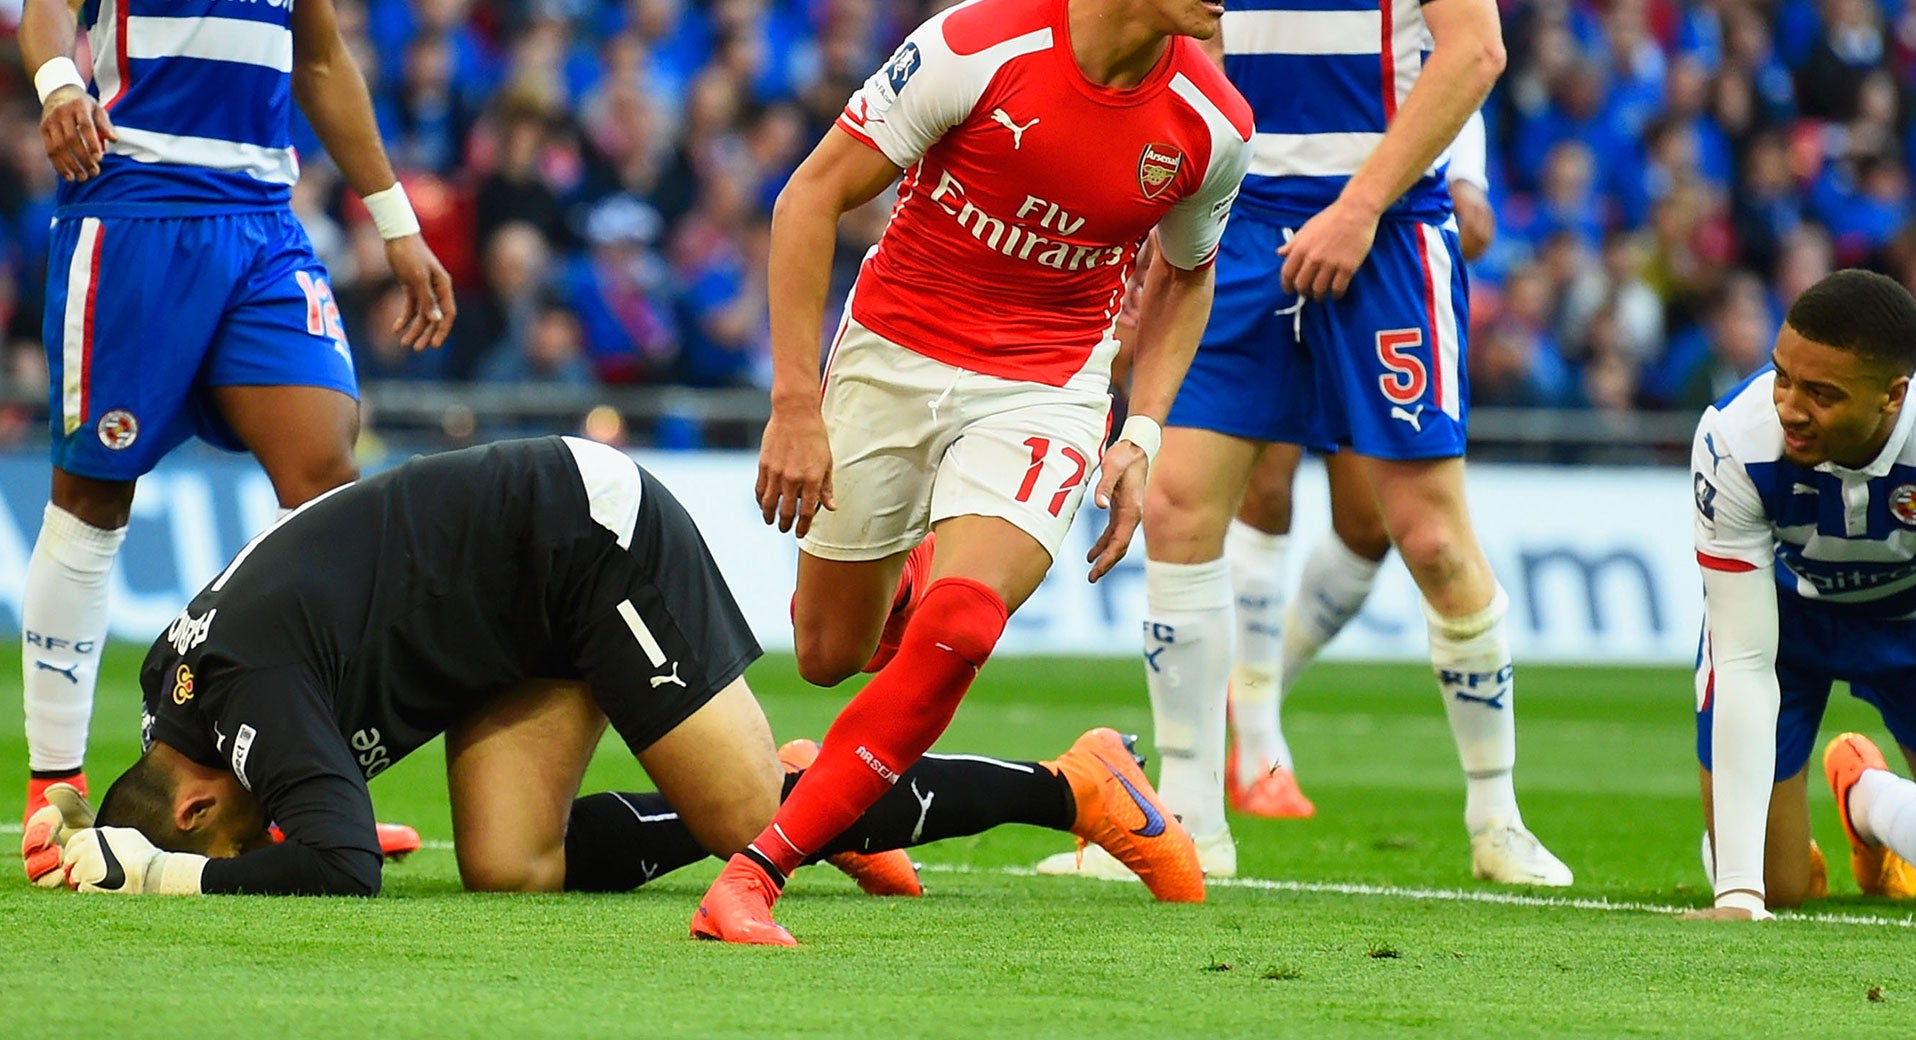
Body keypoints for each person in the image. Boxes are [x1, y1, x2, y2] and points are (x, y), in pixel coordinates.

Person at [1066, 0, 1570, 888]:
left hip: (1381, 228)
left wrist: (1360, 205)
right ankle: (1191, 827)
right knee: (1181, 507)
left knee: (1428, 530)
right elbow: (1196, 58)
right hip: (1240, 227)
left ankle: (1498, 822)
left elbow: (1475, 51)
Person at [688, 0, 1255, 944]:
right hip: (890, 354)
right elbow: (808, 202)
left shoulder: (1212, 125)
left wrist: (1137, 430)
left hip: (1043, 385)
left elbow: (1186, 279)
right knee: (827, 655)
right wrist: (795, 405)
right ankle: (1060, 768)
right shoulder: (976, 45)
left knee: (959, 623)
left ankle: (758, 873)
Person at [18, 0, 455, 883]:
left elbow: (320, 59)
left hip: (264, 222)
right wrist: (58, 82)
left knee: (329, 485)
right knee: (96, 494)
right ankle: (55, 785)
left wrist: (394, 219)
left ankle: (316, 777)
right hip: (140, 205)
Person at [38, 436, 1189, 900]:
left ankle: (1075, 786)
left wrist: (146, 872)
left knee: (751, 821)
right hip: (500, 608)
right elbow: (300, 804)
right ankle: (804, 795)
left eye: (234, 833)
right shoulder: (183, 702)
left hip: (581, 538)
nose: (261, 832)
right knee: (509, 867)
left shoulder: (232, 697)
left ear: (193, 797)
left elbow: (336, 868)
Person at [1691, 270, 1916, 932]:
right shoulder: (1731, 440)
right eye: (1782, 377)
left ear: (1893, 395)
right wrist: (1737, 896)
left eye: (1821, 394)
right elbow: (1740, 657)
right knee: (1774, 885)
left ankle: (1868, 799)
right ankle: (1756, 859)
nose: (1790, 407)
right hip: (1788, 627)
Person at [1224, 113, 1495, 817]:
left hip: (1383, 223)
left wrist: (1467, 178)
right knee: (1264, 480)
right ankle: (1256, 749)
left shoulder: (1426, 5)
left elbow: (1447, 55)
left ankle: (1256, 686)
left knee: (1371, 525)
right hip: (1270, 205)